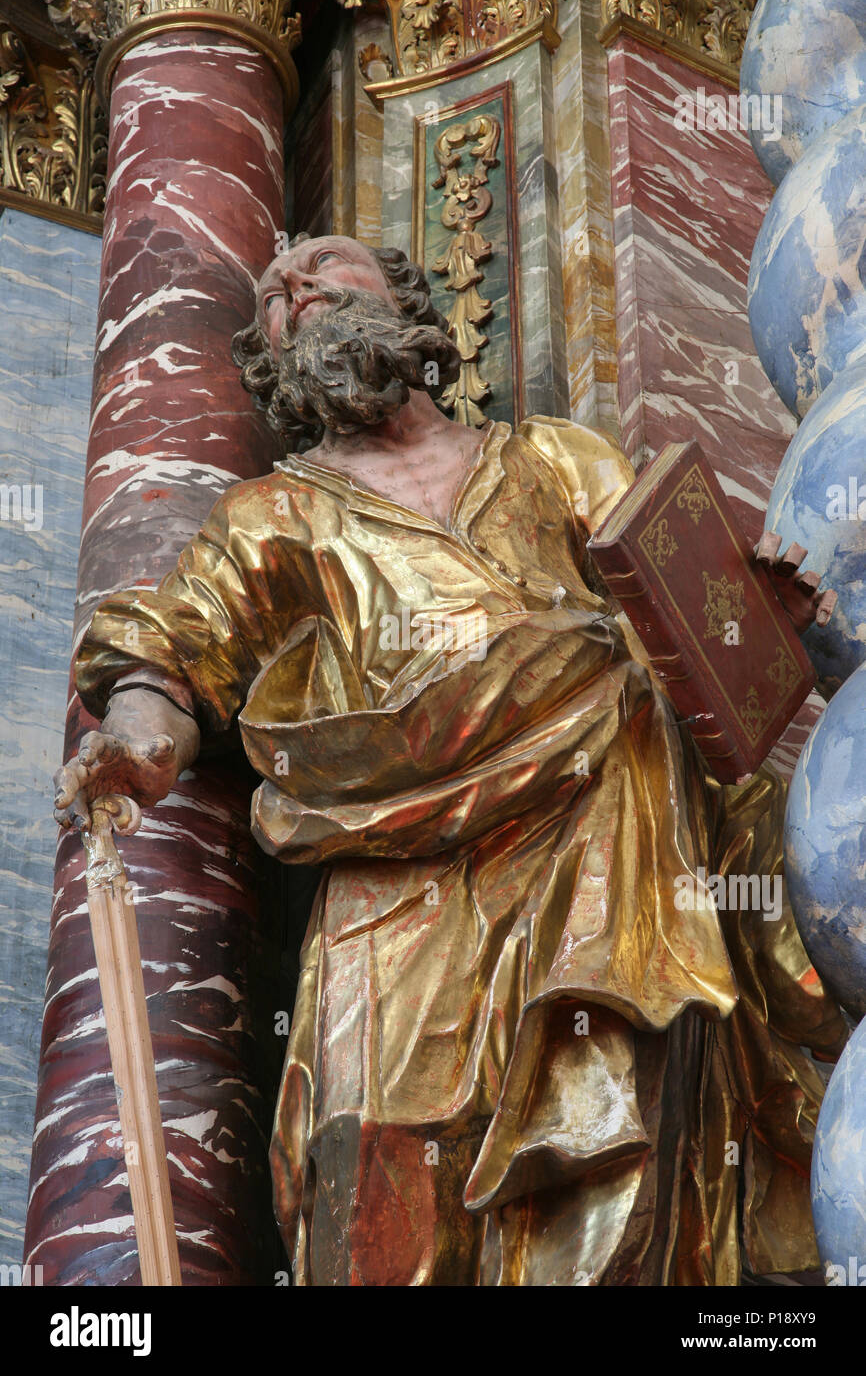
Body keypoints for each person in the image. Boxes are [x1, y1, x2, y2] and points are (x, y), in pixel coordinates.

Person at [54, 233, 846, 1285]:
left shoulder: (553, 458)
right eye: (279, 301)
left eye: (325, 269)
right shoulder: (270, 516)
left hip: (600, 840)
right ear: (272, 360)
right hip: (393, 867)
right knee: (372, 1146)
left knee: (615, 1119)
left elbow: (683, 617)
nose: (298, 290)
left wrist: (754, 629)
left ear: (410, 301)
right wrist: (141, 746)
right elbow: (174, 644)